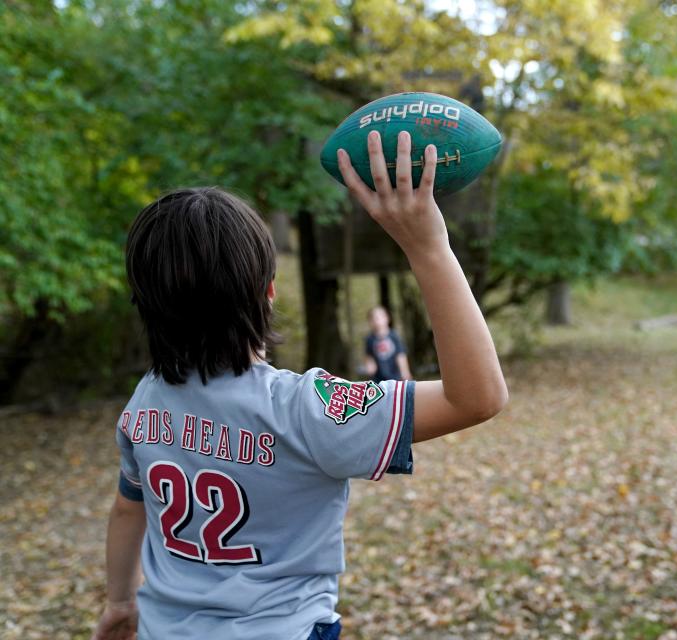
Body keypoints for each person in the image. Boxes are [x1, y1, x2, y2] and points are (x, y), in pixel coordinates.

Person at [92, 131, 508, 640]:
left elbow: (126, 508)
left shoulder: (145, 404)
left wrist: (119, 601)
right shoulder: (306, 410)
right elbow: (478, 396)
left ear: (143, 301)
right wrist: (429, 248)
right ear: (269, 293)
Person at [364, 306, 412, 382]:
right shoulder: (370, 339)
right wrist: (369, 365)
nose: (376, 321)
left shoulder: (394, 336)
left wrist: (405, 372)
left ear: (387, 318)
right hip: (378, 379)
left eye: (378, 318)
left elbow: (400, 355)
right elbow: (368, 355)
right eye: (372, 319)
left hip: (396, 376)